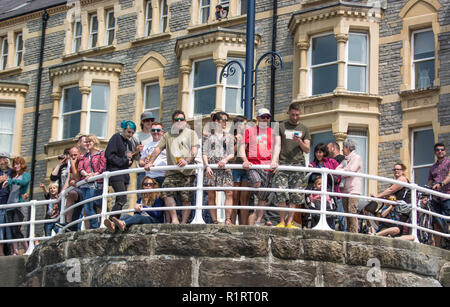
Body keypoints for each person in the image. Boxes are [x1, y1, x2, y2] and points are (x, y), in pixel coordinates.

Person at [144, 110, 200, 224]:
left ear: (185, 121)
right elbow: (158, 149)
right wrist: (150, 162)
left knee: (186, 198)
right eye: (176, 120)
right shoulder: (167, 135)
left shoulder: (191, 133)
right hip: (172, 171)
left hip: (187, 171)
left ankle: (183, 223)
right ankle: (175, 220)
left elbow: (194, 150)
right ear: (172, 122)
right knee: (166, 192)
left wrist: (187, 160)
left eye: (181, 119)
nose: (179, 121)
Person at [271, 103, 311, 228]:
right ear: (288, 113)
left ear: (300, 114)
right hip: (283, 163)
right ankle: (282, 221)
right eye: (292, 114)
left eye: (297, 115)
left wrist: (299, 141)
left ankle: (290, 222)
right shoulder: (280, 126)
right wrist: (274, 160)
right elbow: (277, 145)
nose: (294, 117)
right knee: (281, 193)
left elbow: (307, 149)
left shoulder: (304, 128)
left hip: (298, 164)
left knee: (295, 194)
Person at [239, 108, 276, 226]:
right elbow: (242, 147)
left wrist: (275, 162)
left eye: (268, 117)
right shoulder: (250, 131)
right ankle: (262, 215)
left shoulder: (272, 132)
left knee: (263, 198)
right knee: (256, 182)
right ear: (258, 118)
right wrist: (245, 160)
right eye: (263, 117)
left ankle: (259, 220)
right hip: (253, 164)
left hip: (267, 166)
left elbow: (276, 150)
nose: (266, 119)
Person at [202, 112, 234, 224]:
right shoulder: (208, 137)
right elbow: (204, 153)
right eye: (224, 120)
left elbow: (231, 153)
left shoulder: (228, 136)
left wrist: (225, 160)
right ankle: (215, 220)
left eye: (226, 120)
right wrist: (207, 166)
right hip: (212, 166)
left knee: (229, 192)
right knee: (211, 194)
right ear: (216, 122)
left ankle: (228, 219)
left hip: (224, 166)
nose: (226, 122)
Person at [105, 120, 138, 219]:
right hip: (115, 172)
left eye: (132, 133)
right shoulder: (116, 138)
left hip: (124, 174)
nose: (130, 135)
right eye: (129, 132)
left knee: (122, 198)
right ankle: (112, 219)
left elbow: (128, 160)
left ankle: (115, 220)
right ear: (123, 130)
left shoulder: (129, 143)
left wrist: (132, 157)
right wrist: (124, 161)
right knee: (122, 198)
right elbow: (109, 155)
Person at [77, 134, 106, 229]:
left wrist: (94, 174)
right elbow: (80, 167)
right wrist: (86, 174)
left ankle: (95, 226)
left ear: (95, 142)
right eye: (87, 142)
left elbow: (103, 167)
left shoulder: (101, 153)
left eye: (90, 141)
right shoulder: (84, 156)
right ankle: (94, 226)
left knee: (89, 206)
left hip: (96, 183)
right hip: (85, 184)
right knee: (88, 207)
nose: (88, 143)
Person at [3, 157, 30, 255]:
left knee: (17, 229)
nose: (15, 166)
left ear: (22, 164)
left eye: (17, 164)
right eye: (14, 164)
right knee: (12, 229)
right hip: (10, 205)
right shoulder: (13, 176)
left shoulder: (25, 175)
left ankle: (27, 249)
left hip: (18, 205)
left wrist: (10, 181)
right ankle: (15, 250)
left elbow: (23, 182)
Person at [336, 139, 362, 233]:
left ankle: (354, 233)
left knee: (352, 210)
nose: (342, 150)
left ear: (348, 148)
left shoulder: (356, 158)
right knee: (346, 212)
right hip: (345, 190)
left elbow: (351, 170)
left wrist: (343, 171)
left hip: (354, 189)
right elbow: (336, 170)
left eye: (343, 148)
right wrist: (345, 171)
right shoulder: (345, 160)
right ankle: (349, 231)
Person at [427, 143, 450, 247]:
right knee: (436, 222)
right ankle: (437, 246)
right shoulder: (432, 167)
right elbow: (430, 181)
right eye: (437, 150)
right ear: (435, 152)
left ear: (445, 151)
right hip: (436, 198)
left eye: (442, 149)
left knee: (448, 220)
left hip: (447, 195)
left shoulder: (449, 162)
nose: (440, 151)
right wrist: (426, 193)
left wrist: (442, 183)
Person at [230, 116, 250, 225]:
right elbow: (230, 153)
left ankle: (243, 224)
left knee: (245, 199)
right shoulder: (231, 137)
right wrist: (238, 141)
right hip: (235, 167)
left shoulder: (249, 136)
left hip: (246, 168)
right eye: (244, 124)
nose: (246, 126)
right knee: (234, 197)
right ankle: (233, 223)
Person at [139, 122, 167, 189]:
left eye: (158, 130)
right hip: (149, 178)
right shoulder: (146, 146)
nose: (155, 132)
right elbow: (140, 162)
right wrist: (144, 163)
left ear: (162, 132)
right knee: (150, 199)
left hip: (163, 176)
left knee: (163, 198)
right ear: (150, 132)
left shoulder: (167, 145)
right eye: (153, 130)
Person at [133, 112, 154, 190]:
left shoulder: (156, 134)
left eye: (152, 120)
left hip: (155, 169)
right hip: (142, 170)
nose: (150, 122)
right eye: (147, 120)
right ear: (142, 122)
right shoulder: (136, 136)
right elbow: (130, 156)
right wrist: (137, 151)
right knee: (142, 197)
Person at [0, 152, 13, 256]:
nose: (2, 161)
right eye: (1, 159)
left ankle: (10, 250)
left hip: (10, 202)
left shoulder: (12, 172)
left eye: (4, 159)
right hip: (1, 202)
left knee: (11, 227)